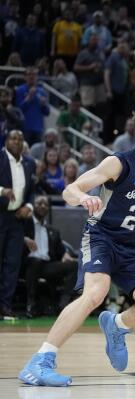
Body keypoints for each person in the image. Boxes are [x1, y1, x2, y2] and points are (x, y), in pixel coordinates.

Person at [18, 103, 135, 386]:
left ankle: (116, 325)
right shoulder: (119, 163)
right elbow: (70, 190)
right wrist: (83, 198)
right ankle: (40, 360)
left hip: (132, 247)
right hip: (101, 237)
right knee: (95, 293)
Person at [23, 196, 78, 317]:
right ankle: (30, 304)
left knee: (74, 265)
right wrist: (25, 239)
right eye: (39, 203)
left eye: (45, 204)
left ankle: (63, 304)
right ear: (33, 206)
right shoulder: (25, 223)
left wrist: (65, 256)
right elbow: (15, 237)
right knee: (35, 261)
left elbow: (61, 251)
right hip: (27, 264)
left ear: (48, 208)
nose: (42, 206)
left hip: (46, 265)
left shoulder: (52, 230)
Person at [0, 130, 36, 318]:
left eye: (21, 139)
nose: (17, 141)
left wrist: (29, 206)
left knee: (12, 264)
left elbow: (32, 191)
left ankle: (5, 306)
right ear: (6, 141)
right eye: (13, 138)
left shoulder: (30, 163)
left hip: (16, 219)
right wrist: (1, 191)